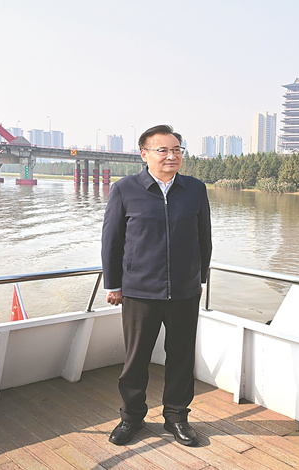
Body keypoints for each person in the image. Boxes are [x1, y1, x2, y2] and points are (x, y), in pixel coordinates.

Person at [101, 125, 212, 446]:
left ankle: (176, 417)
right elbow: (112, 241)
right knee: (136, 360)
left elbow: (204, 237)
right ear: (144, 154)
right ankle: (131, 417)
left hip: (185, 291)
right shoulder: (125, 189)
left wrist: (200, 278)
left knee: (181, 358)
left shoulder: (195, 189)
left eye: (177, 150)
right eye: (162, 150)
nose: (171, 156)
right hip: (139, 291)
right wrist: (114, 284)